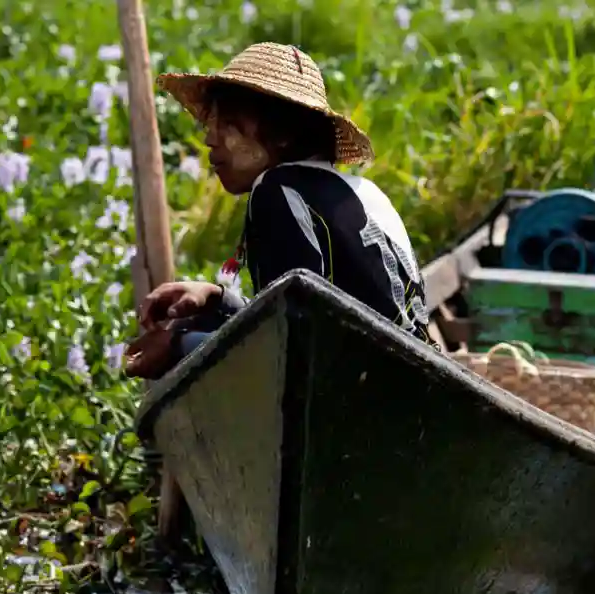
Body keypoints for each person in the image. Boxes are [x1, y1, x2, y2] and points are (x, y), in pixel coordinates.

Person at [125, 42, 431, 381]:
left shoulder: (276, 190)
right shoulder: (366, 192)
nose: (210, 139)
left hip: (360, 394)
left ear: (283, 133)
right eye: (211, 122)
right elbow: (299, 319)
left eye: (228, 123)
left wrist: (179, 346)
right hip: (407, 382)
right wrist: (216, 300)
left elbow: (283, 352)